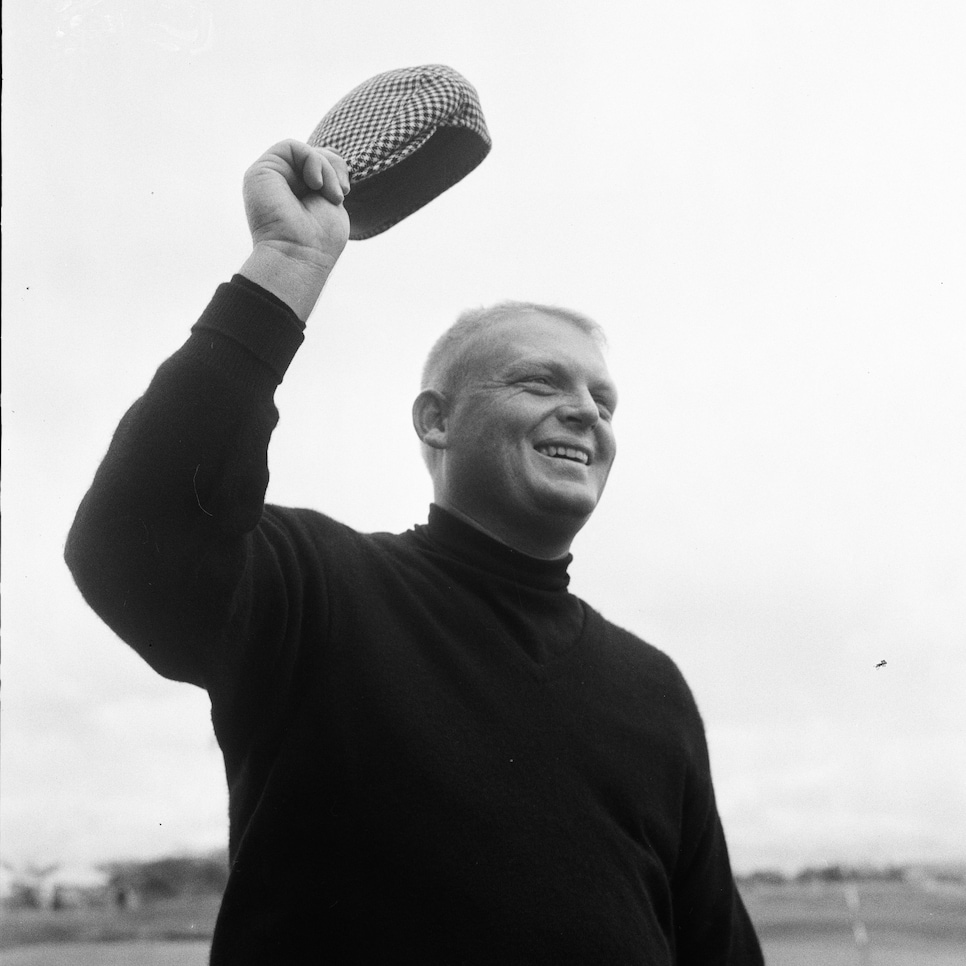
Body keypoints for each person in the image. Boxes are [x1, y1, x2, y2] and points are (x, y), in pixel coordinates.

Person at [66, 139, 764, 964]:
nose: (587, 413)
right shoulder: (318, 588)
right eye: (541, 383)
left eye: (602, 399)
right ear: (436, 421)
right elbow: (133, 536)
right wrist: (289, 261)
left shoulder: (653, 689)